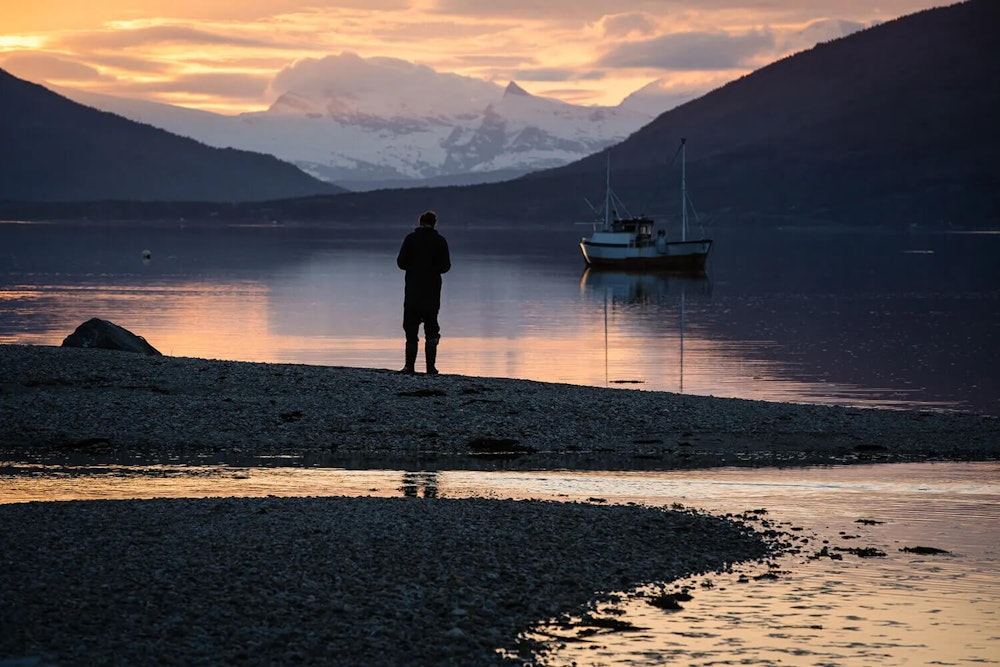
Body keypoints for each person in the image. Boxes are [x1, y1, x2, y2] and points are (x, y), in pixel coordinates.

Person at [396, 210, 451, 374]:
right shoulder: (440, 241)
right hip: (432, 293)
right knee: (432, 331)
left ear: (420, 222)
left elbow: (401, 263)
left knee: (411, 331)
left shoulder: (410, 239)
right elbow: (445, 267)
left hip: (412, 291)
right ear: (435, 223)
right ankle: (430, 367)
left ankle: (409, 366)